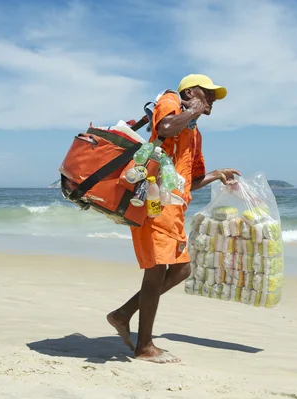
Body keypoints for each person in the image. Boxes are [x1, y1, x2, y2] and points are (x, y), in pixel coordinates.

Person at [107, 74, 240, 363]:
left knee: (181, 270)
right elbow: (165, 128)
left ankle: (123, 314)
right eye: (208, 93)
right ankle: (144, 347)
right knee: (156, 271)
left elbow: (189, 179)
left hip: (174, 208)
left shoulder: (194, 132)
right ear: (190, 91)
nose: (213, 100)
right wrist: (192, 109)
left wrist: (216, 175)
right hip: (154, 204)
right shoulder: (171, 102)